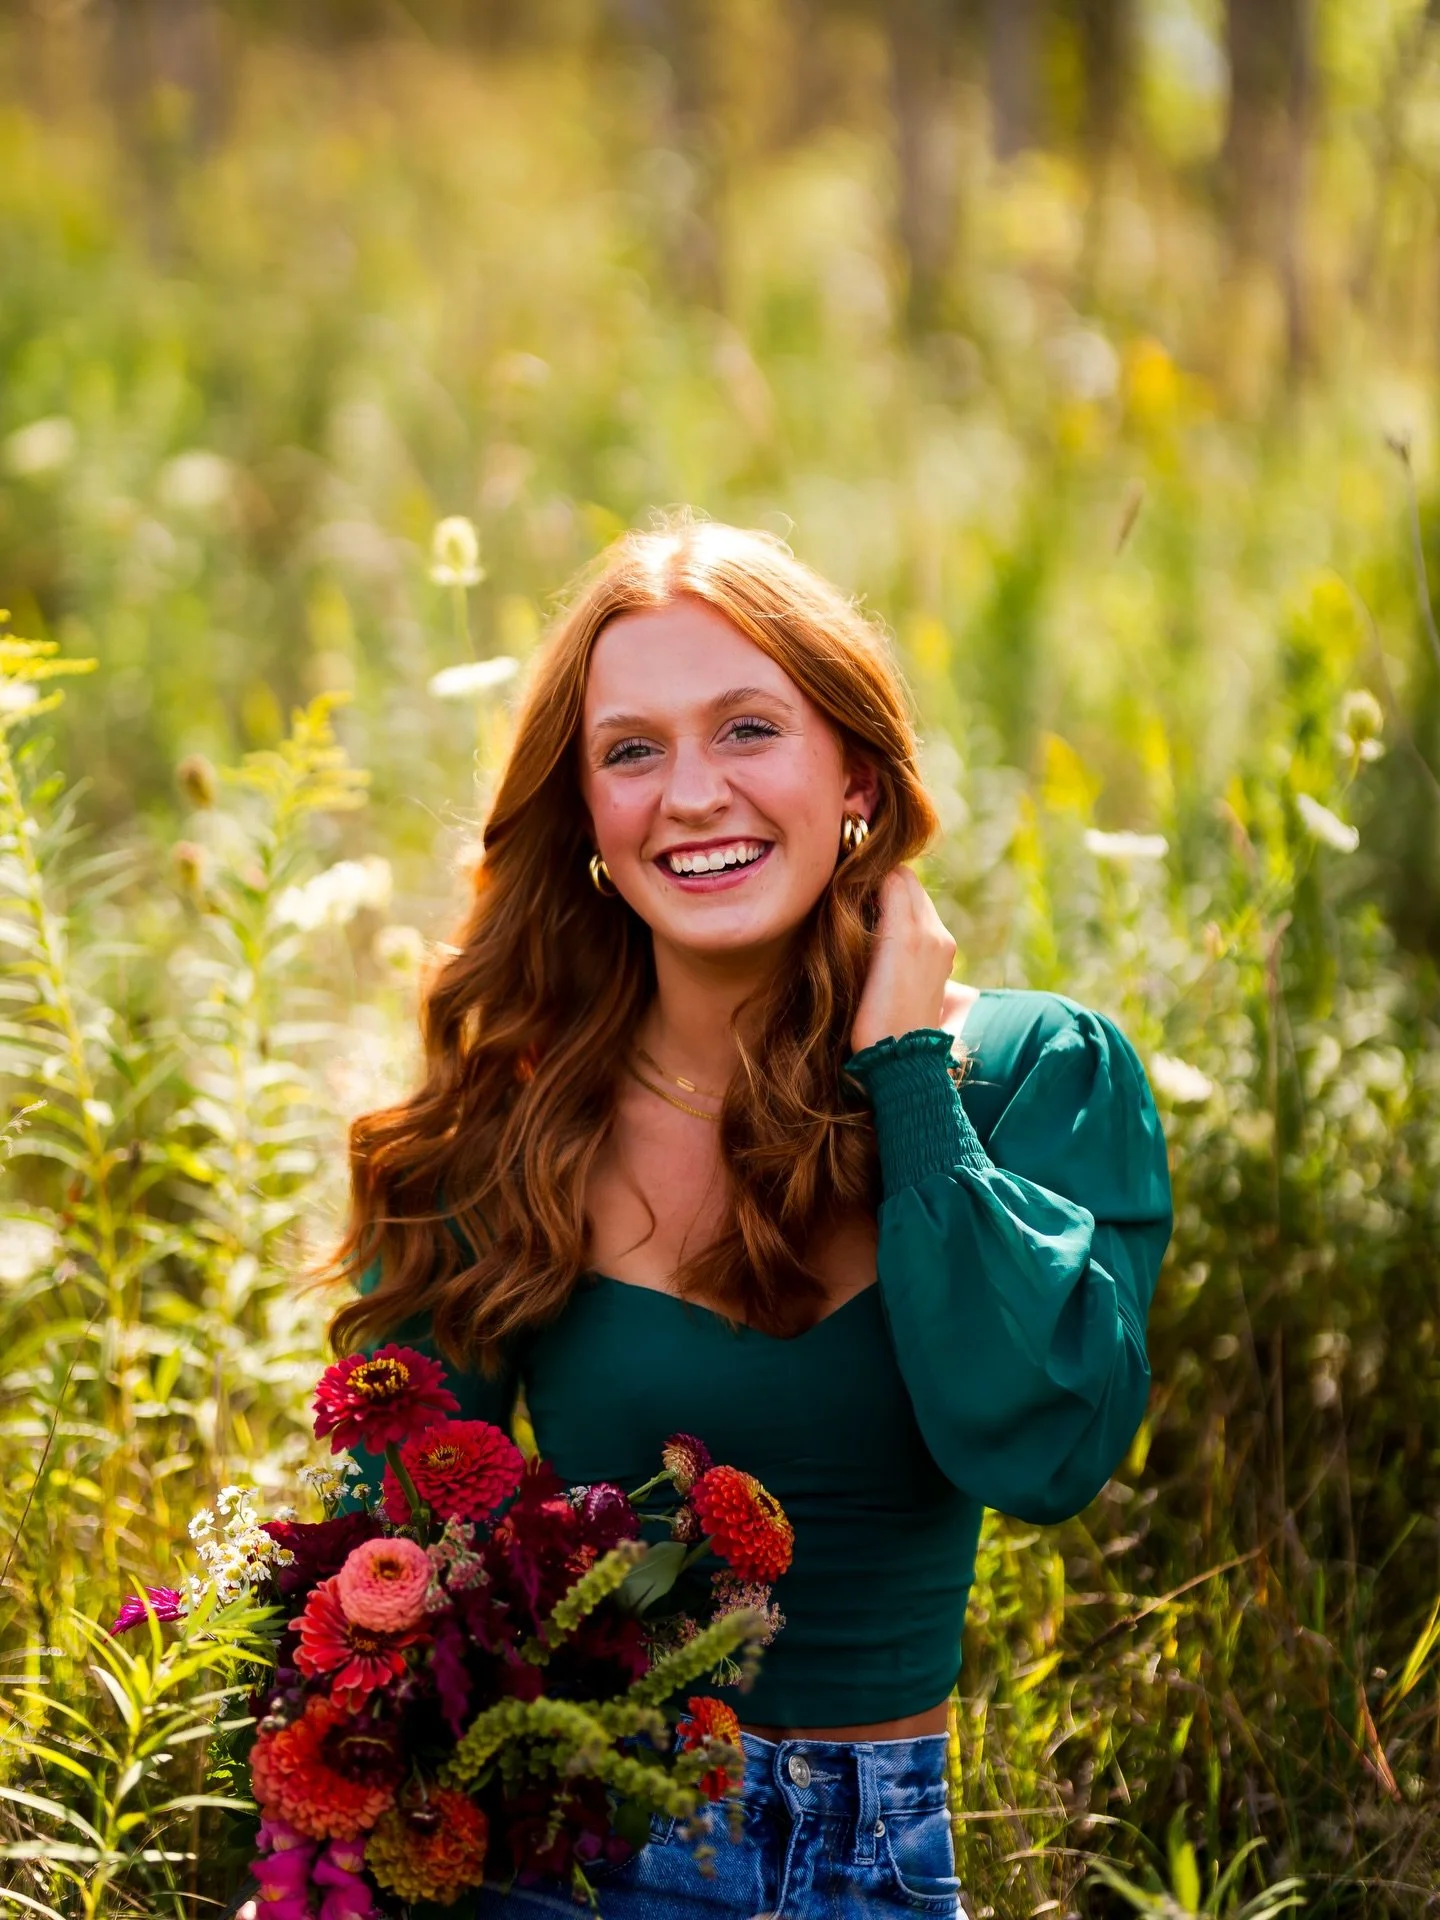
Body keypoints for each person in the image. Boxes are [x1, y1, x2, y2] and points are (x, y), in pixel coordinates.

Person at [325, 513, 1174, 1918]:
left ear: (854, 770)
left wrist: (911, 1087)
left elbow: (1045, 1451)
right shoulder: (506, 1125)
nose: (692, 794)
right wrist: (314, 1882)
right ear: (586, 814)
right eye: (632, 750)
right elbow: (381, 1558)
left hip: (867, 1864)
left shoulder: (1034, 1078)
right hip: (549, 1857)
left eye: (747, 730)